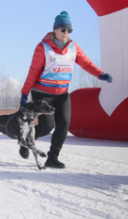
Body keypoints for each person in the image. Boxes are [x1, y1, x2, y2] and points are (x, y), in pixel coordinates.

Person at [19, 11, 113, 169]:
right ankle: (25, 141)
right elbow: (33, 71)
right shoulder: (43, 48)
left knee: (64, 124)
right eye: (63, 30)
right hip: (42, 95)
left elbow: (86, 64)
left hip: (62, 94)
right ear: (55, 29)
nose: (66, 33)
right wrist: (24, 93)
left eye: (69, 30)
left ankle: (52, 158)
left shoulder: (73, 47)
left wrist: (100, 74)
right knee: (46, 127)